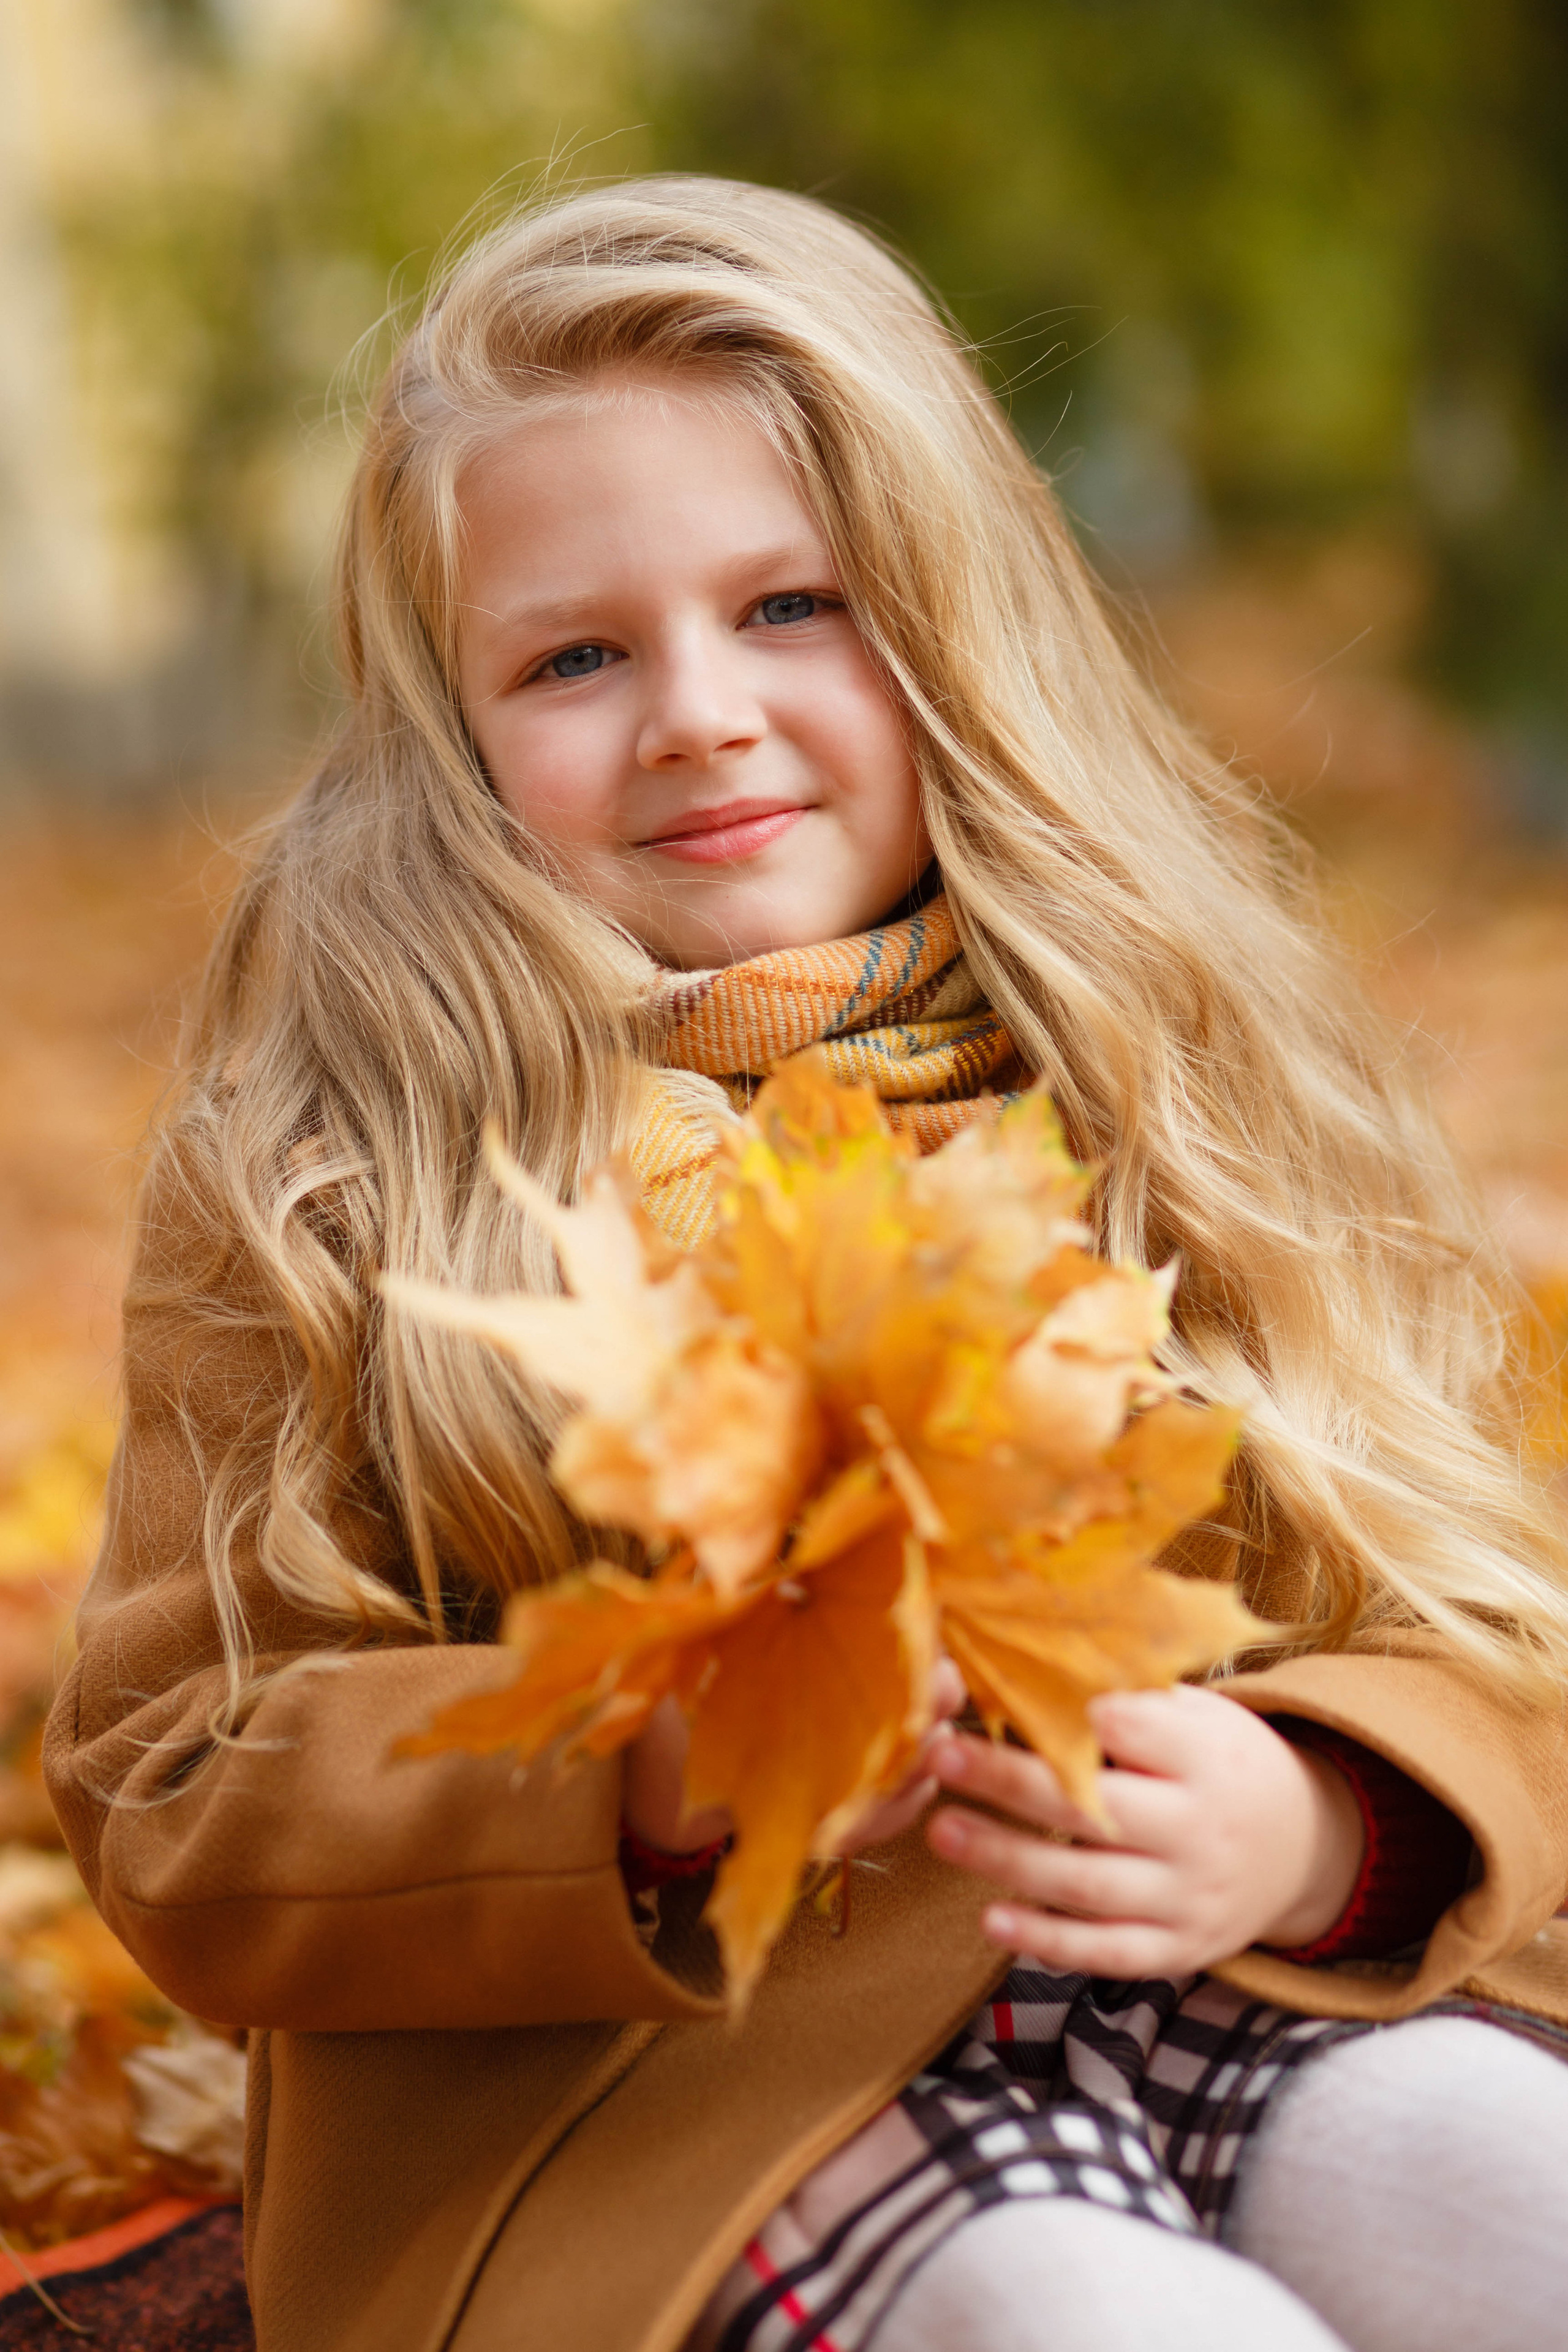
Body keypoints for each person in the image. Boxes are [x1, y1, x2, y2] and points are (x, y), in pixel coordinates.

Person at [44, 177, 1568, 2352]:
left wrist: (1324, 1824)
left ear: (954, 619)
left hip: (1213, 1984)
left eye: (791, 608)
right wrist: (635, 1777)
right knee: (1091, 2320)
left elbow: (1493, 1629)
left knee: (1509, 2191)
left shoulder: (1190, 1068)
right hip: (666, 2101)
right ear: (450, 727)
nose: (696, 713)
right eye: (575, 656)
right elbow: (172, 1786)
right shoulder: (343, 1162)